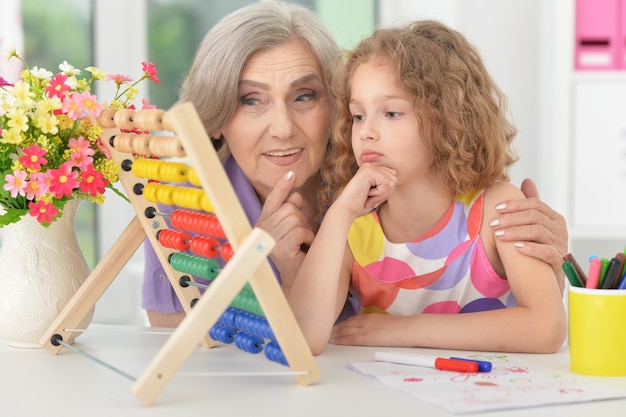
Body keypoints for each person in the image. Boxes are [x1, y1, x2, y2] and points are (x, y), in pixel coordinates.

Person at [143, 1, 568, 328]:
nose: (283, 128)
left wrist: (550, 261)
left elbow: (480, 277)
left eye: (305, 96)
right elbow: (175, 337)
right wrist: (267, 268)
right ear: (215, 116)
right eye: (250, 100)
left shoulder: (376, 183)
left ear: (336, 104)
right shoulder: (177, 200)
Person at [287, 20, 567, 355]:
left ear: (448, 119)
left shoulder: (497, 207)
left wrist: (406, 330)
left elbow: (547, 327)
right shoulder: (353, 227)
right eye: (358, 116)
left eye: (391, 113)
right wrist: (340, 213)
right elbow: (302, 337)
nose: (366, 132)